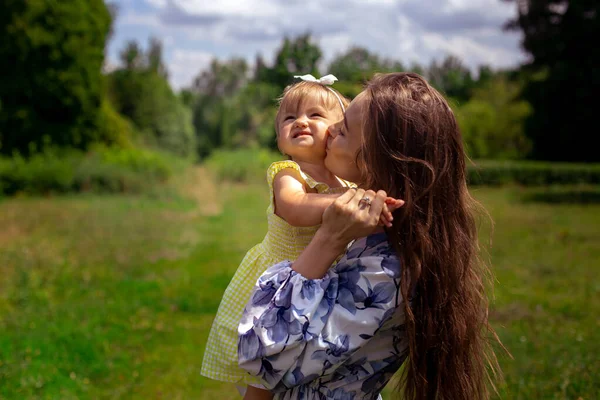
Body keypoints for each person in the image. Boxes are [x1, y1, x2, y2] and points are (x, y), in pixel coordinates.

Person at [238, 72, 502, 400]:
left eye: (343, 129)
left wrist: (329, 238)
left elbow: (263, 357)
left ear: (382, 158)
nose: (329, 130)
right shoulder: (386, 237)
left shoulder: (387, 269)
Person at [201, 75, 403, 399]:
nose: (301, 122)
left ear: (336, 132)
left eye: (316, 115)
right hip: (278, 280)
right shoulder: (287, 172)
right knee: (266, 367)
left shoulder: (348, 181)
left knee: (308, 350)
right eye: (289, 118)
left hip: (321, 278)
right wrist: (352, 200)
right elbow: (295, 207)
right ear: (280, 139)